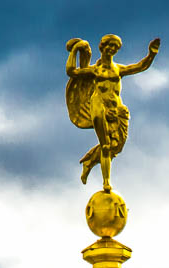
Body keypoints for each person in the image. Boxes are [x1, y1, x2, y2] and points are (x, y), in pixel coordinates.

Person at [66, 34, 161, 191]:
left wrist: (151, 54)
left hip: (117, 109)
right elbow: (71, 72)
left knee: (116, 146)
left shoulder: (119, 69)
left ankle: (89, 162)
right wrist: (75, 50)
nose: (112, 49)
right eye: (109, 45)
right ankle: (106, 182)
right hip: (99, 106)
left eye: (115, 47)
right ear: (102, 47)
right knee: (106, 145)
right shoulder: (94, 70)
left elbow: (140, 66)